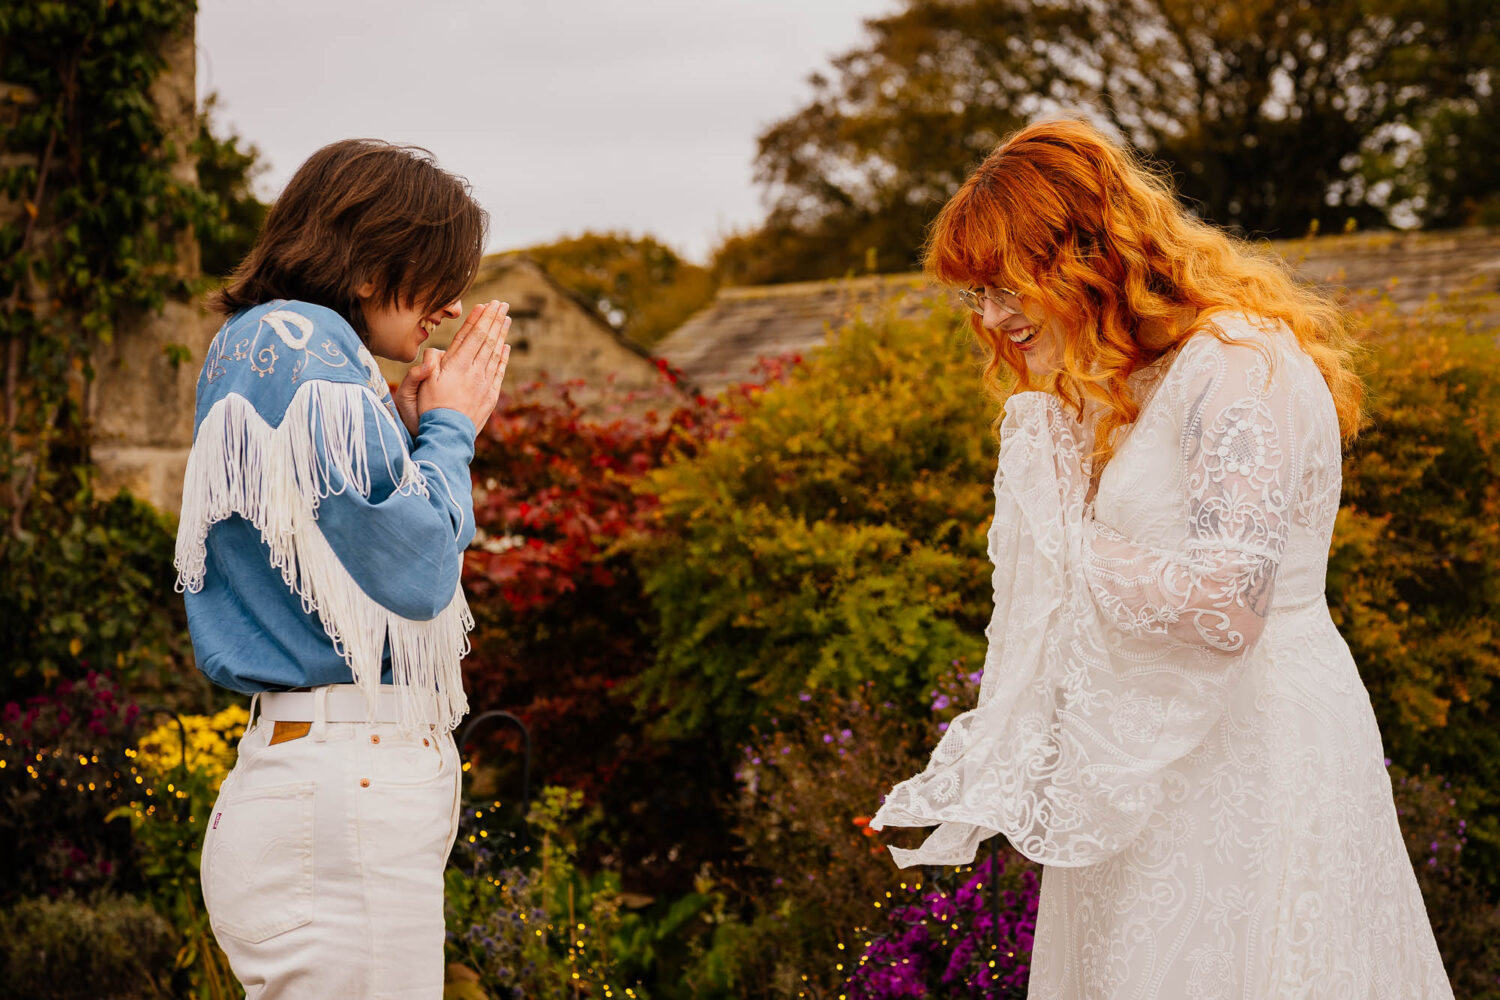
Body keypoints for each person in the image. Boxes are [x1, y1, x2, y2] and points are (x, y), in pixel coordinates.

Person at [870, 119, 1452, 998]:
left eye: (1000, 287)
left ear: (1080, 255)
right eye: (974, 296)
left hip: (1255, 745)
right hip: (1137, 759)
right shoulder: (1113, 381)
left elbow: (1229, 608)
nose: (988, 318)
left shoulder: (1240, 365)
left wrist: (1067, 542)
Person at [175, 139, 511, 998]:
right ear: (371, 264)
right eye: (438, 273)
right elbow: (416, 567)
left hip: (319, 786)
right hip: (340, 793)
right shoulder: (302, 340)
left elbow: (342, 552)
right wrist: (451, 428)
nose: (450, 306)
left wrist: (394, 434)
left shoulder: (287, 352)